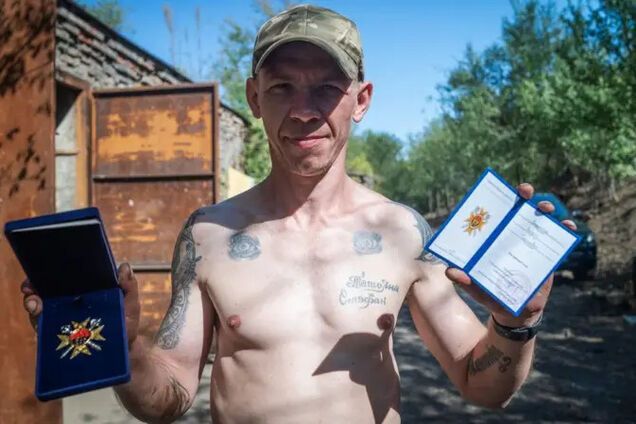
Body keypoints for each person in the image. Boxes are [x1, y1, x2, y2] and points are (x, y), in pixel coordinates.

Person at [21, 4, 576, 423]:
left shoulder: (402, 232)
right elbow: (168, 398)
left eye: (328, 88)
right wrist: (126, 350)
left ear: (361, 100)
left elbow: (482, 386)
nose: (305, 111)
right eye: (283, 87)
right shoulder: (208, 235)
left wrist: (515, 325)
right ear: (254, 98)